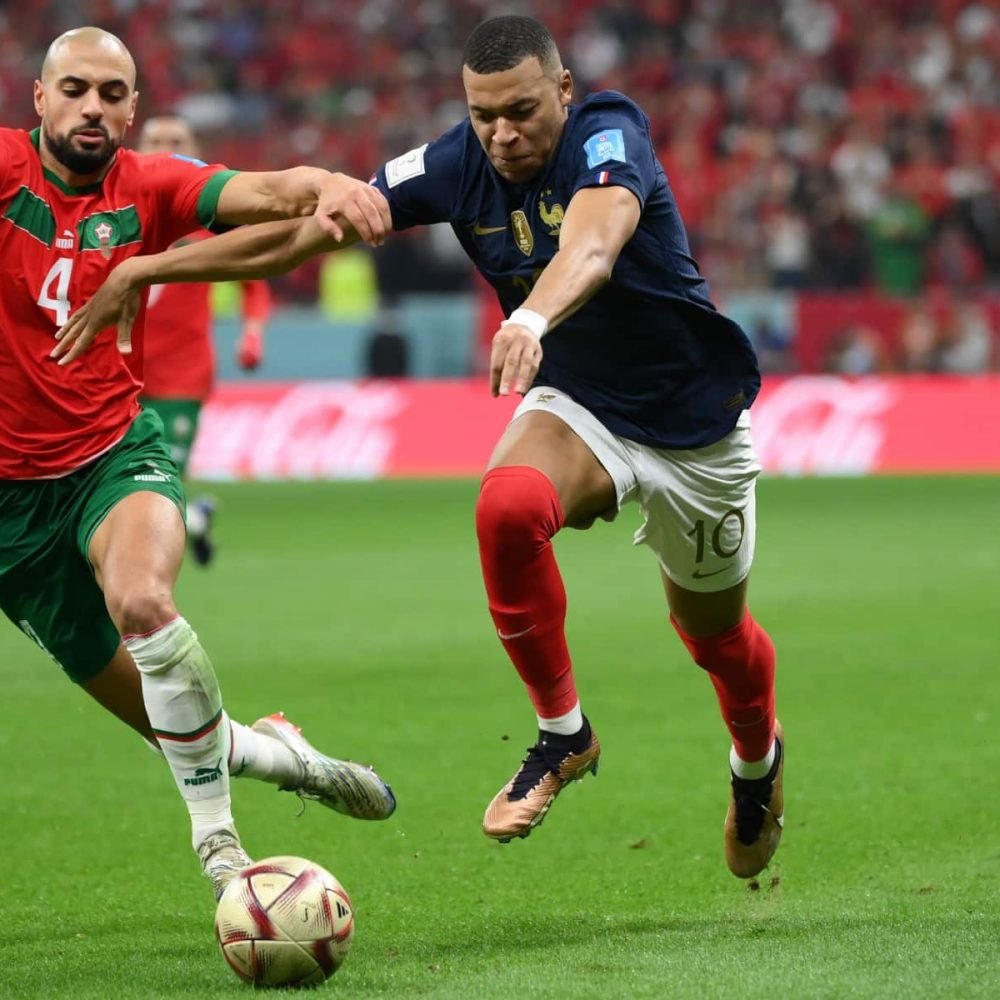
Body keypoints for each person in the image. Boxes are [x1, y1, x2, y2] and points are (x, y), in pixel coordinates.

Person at [58, 15, 783, 881]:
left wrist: (532, 316)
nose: (503, 135)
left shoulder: (607, 133)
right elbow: (306, 236)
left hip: (694, 423)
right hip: (583, 404)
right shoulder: (453, 164)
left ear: (560, 91)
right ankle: (563, 735)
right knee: (507, 507)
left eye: (520, 111)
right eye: (484, 116)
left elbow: (592, 243)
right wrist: (149, 267)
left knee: (716, 637)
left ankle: (756, 761)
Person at [0, 26, 397, 902]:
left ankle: (221, 851)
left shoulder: (150, 186)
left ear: (134, 108)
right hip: (8, 524)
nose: (92, 107)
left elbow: (272, 198)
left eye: (112, 93)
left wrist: (329, 184)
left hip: (110, 452)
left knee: (145, 601)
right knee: (171, 726)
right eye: (74, 90)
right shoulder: (4, 172)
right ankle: (284, 758)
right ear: (39, 99)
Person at [137, 114, 273, 566]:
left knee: (159, 485)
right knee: (126, 492)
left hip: (180, 379)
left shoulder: (207, 215)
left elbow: (254, 274)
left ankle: (144, 590)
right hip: (118, 379)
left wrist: (252, 330)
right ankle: (195, 518)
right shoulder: (114, 211)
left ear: (191, 149)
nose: (163, 146)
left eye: (175, 140)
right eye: (154, 138)